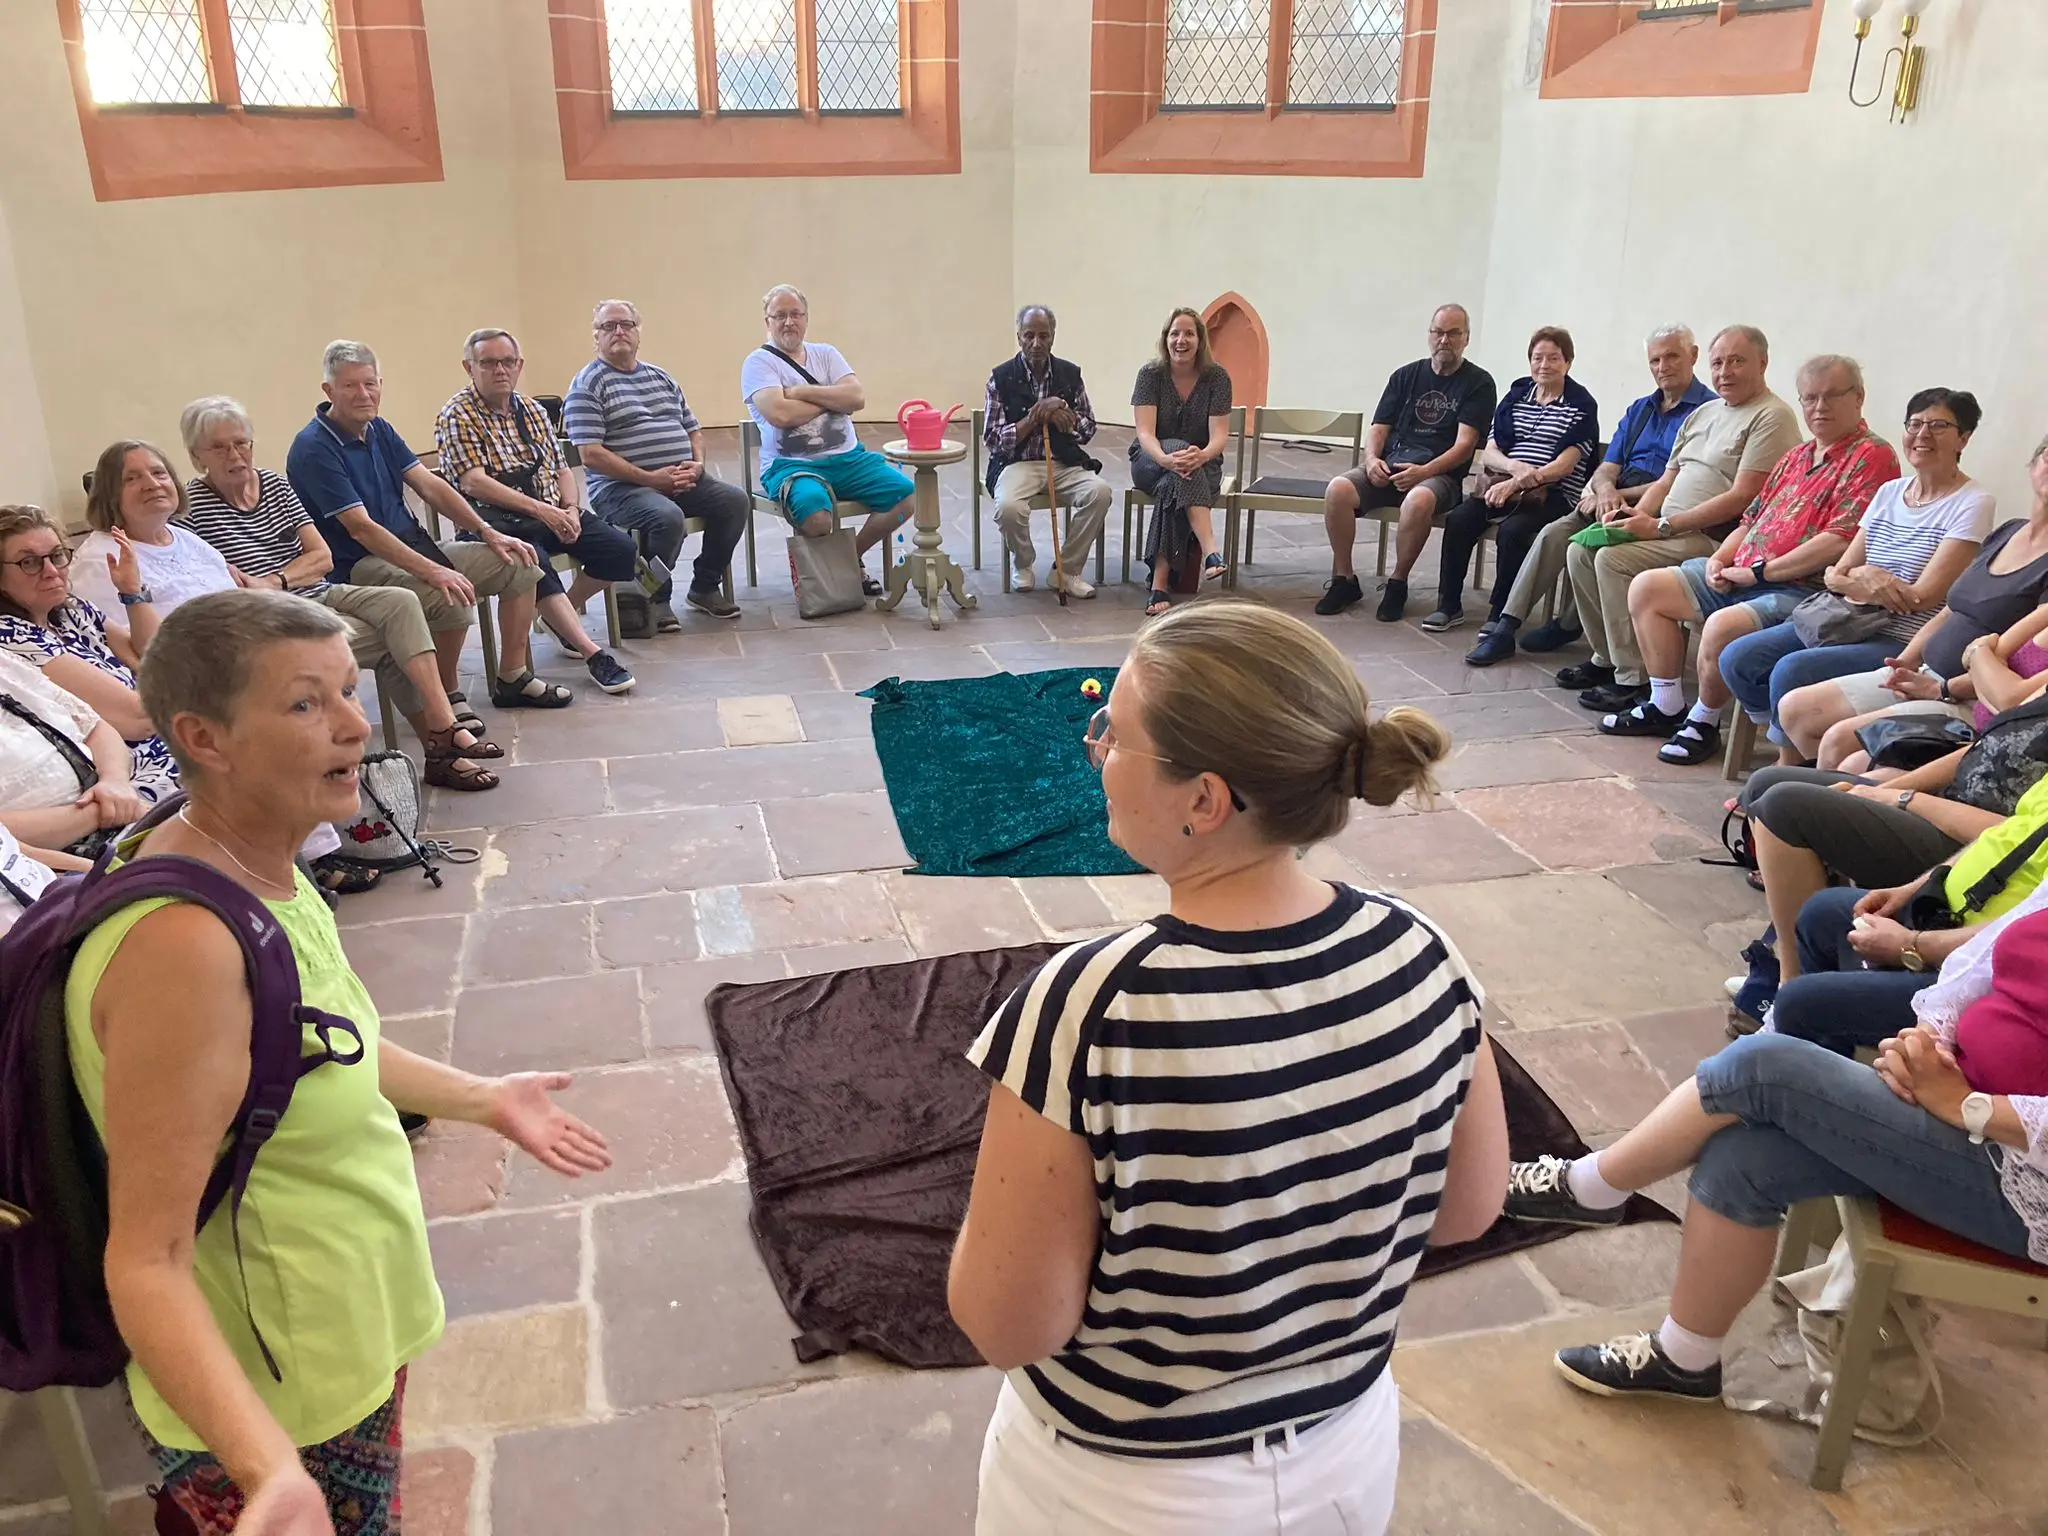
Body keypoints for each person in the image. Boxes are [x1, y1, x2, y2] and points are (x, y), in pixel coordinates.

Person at [950, 600, 1508, 1535]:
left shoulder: (1092, 1004)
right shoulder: (1424, 952)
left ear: (1204, 801)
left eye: (1115, 735)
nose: (1096, 753)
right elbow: (1468, 1207)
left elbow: (1009, 1325)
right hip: (1346, 1450)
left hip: (1126, 1491)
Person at [76, 589, 610, 1536]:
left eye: (350, 693)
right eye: (305, 704)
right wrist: (268, 1470)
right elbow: (145, 1260)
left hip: (337, 1328)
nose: (358, 727)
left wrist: (484, 1098)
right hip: (281, 1390)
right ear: (204, 738)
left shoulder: (259, 861)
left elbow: (331, 1042)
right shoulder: (183, 946)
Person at [1499, 891, 2048, 1405]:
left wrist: (1965, 1105)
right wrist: (1930, 1036)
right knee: (1745, 1157)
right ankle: (1685, 1360)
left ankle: (1589, 1189)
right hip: (1957, 1097)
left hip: (2018, 1169)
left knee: (1762, 1069)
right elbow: (1986, 953)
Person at [180, 395, 505, 793]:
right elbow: (222, 582)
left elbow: (321, 556)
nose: (235, 454)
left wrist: (274, 580)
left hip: (319, 591)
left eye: (241, 442)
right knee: (391, 644)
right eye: (219, 447)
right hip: (269, 617)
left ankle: (442, 727)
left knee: (402, 602)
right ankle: (444, 745)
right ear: (198, 457)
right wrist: (274, 586)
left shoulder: (274, 485)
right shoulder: (191, 508)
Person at [1599, 356, 1899, 761]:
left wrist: (1759, 572)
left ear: (1858, 398)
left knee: (1723, 626)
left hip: (1803, 591)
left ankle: (1704, 722)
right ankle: (1666, 703)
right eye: (1810, 399)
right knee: (1648, 588)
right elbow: (1751, 518)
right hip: (1746, 574)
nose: (1819, 408)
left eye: (1831, 397)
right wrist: (1720, 559)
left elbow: (1838, 541)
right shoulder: (1796, 457)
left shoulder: (1872, 456)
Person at [285, 340, 572, 715]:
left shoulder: (378, 429)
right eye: (350, 386)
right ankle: (448, 695)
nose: (363, 394)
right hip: (356, 564)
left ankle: (512, 677)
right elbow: (361, 529)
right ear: (329, 390)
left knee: (519, 561)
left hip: (411, 543)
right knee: (447, 595)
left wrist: (489, 532)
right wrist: (434, 570)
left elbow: (429, 484)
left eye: (370, 384)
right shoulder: (313, 447)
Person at [1719, 388, 1993, 759]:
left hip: (1901, 638)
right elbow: (1835, 574)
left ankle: (1789, 762)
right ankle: (1798, 742)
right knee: (1738, 658)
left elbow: (1922, 598)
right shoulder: (1889, 492)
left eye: (1939, 426)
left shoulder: (1973, 502)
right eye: (1915, 424)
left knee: (1790, 670)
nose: (1923, 434)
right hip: (1844, 619)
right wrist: (1870, 578)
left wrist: (1865, 581)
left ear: (1964, 437)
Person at [1556, 325, 1802, 713]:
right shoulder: (1705, 412)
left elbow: (1744, 496)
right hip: (1666, 527)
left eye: (1737, 361)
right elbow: (1668, 479)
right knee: (1582, 550)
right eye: (1718, 363)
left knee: (1612, 561)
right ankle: (1609, 657)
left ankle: (1633, 677)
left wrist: (1660, 528)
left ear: (1763, 363)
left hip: (1715, 538)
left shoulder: (1772, 416)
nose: (1725, 372)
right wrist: (1636, 518)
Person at [1788, 433, 2048, 767]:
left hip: (1970, 699)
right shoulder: (2010, 531)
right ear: (2033, 464)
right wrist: (1905, 663)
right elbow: (1954, 608)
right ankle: (1808, 791)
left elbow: (2023, 666)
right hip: (1929, 672)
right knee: (1798, 709)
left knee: (1840, 743)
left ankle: (1818, 801)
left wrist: (1943, 690)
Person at [1469, 326, 1714, 664]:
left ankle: (1574, 625)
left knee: (1587, 546)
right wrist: (1605, 490)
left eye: (1672, 356)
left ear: (1694, 356)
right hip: (1612, 498)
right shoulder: (1640, 409)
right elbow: (1606, 467)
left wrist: (1616, 496)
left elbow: (1681, 481)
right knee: (1553, 534)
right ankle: (1505, 627)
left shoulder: (1710, 412)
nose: (1663, 366)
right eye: (1655, 359)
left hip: (1660, 509)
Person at [435, 328, 636, 693]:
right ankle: (593, 654)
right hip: (493, 524)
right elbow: (474, 483)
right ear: (469, 367)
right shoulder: (457, 414)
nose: (500, 370)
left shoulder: (531, 409)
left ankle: (557, 618)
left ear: (519, 365)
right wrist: (545, 512)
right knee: (533, 561)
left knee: (620, 550)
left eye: (507, 362)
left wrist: (571, 509)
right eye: (489, 362)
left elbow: (562, 469)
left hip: (550, 512)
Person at [566, 299, 749, 626]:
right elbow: (590, 454)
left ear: (639, 334)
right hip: (620, 490)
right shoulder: (586, 385)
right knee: (668, 517)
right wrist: (651, 479)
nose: (619, 331)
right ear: (596, 337)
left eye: (627, 325)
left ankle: (705, 587)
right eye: (609, 326)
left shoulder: (661, 377)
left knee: (734, 501)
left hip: (680, 479)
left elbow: (694, 431)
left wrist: (698, 465)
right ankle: (654, 596)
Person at [1317, 304, 1496, 622]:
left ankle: (1397, 583)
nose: (1445, 340)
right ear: (1429, 335)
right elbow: (1379, 428)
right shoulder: (1405, 376)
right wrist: (1372, 460)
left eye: (1454, 333)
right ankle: (1345, 580)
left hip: (1438, 475)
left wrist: (1424, 472)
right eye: (1438, 332)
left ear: (1466, 338)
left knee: (1418, 500)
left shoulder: (1478, 383)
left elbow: (1465, 445)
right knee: (1338, 490)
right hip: (1390, 465)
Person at [740, 285, 914, 594]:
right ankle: (840, 570)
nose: (788, 322)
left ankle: (848, 559)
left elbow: (856, 397)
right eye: (779, 315)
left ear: (806, 319)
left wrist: (801, 392)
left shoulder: (826, 354)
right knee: (816, 517)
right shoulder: (759, 363)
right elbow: (781, 415)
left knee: (906, 498)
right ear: (767, 322)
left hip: (850, 459)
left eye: (795, 314)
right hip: (791, 466)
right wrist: (833, 398)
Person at [1425, 326, 1598, 635]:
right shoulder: (1517, 394)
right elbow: (1490, 452)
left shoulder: (1581, 406)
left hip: (1551, 494)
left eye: (1554, 358)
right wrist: (1516, 470)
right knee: (1461, 520)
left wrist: (1520, 482)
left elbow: (1565, 466)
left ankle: (1500, 612)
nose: (1544, 365)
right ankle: (1448, 606)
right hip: (1501, 484)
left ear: (1568, 362)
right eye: (1537, 358)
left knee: (1513, 531)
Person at [0, 504, 178, 804]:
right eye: (29, 562)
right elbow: (137, 717)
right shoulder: (11, 635)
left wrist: (132, 592)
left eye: (57, 555)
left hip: (168, 733)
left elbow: (157, 656)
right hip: (127, 772)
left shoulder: (69, 610)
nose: (52, 571)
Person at [982, 304, 1111, 599]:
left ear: (1053, 337)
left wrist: (1062, 412)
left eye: (1043, 335)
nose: (1036, 343)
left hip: (1063, 460)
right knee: (1009, 508)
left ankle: (1066, 570)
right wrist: (1034, 417)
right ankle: (1024, 562)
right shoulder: (1000, 378)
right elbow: (993, 439)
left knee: (1100, 493)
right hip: (1017, 463)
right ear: (1019, 338)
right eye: (1029, 335)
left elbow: (1088, 429)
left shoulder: (1070, 375)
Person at [1129, 307, 1235, 617]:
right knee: (1178, 458)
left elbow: (1219, 435)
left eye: (1189, 333)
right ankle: (1211, 550)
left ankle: (1159, 583)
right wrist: (1166, 458)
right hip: (1151, 460)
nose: (1181, 340)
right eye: (1175, 333)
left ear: (1201, 340)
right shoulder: (1150, 375)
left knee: (1173, 485)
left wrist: (1201, 455)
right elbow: (1146, 433)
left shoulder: (1217, 377)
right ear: (1165, 339)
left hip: (1201, 465)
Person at [0, 645, 144, 858]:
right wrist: (97, 813)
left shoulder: (5, 663)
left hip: (121, 808)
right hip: (47, 865)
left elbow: (95, 727)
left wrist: (114, 781)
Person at [69, 441, 237, 617]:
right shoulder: (99, 562)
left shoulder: (188, 540)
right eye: (131, 478)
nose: (152, 484)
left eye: (159, 473)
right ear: (110, 495)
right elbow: (116, 640)